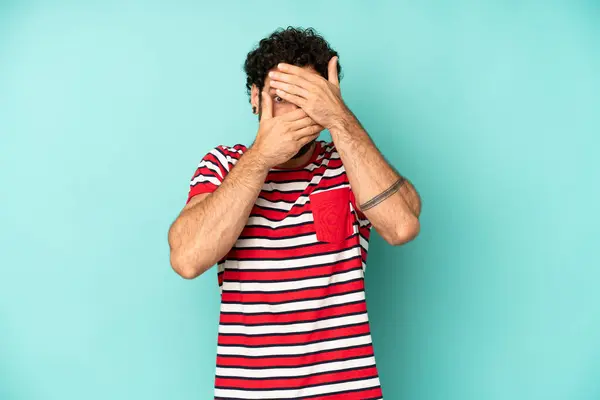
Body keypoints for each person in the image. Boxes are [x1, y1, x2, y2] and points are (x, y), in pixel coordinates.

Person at [168, 26, 422, 400]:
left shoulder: (349, 165)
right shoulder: (223, 165)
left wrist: (339, 118)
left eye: (308, 96)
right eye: (281, 95)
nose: (294, 111)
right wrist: (262, 157)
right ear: (255, 98)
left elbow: (402, 225)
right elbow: (187, 258)